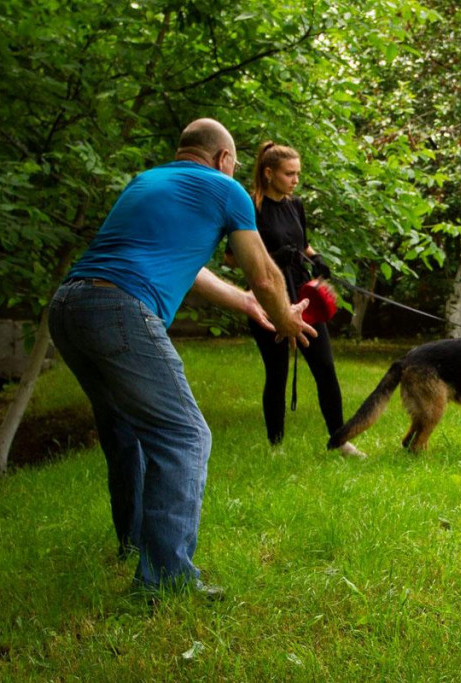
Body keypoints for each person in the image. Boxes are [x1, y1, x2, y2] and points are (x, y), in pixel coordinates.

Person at [48, 118, 317, 593]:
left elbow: (189, 269)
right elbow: (267, 275)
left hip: (70, 307)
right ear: (224, 160)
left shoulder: (146, 182)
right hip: (121, 311)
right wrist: (286, 319)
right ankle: (166, 578)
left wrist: (247, 304)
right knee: (185, 436)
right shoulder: (225, 188)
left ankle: (135, 545)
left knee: (125, 430)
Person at [243, 140, 367, 458]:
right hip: (269, 297)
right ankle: (276, 445)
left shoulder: (294, 205)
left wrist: (318, 257)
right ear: (269, 173)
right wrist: (272, 256)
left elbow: (304, 244)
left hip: (303, 297)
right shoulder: (251, 207)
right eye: (289, 174)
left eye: (298, 174)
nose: (295, 180)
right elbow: (233, 257)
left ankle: (340, 440)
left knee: (325, 367)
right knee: (278, 372)